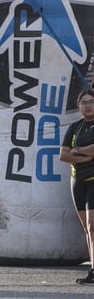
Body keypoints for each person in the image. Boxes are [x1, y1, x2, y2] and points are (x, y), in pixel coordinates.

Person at [60, 90, 94, 285]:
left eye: (91, 102)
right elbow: (63, 155)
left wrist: (79, 150)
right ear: (79, 106)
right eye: (84, 102)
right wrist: (87, 155)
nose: (88, 105)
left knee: (92, 226)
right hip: (77, 181)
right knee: (87, 229)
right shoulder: (75, 127)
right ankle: (92, 270)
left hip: (93, 179)